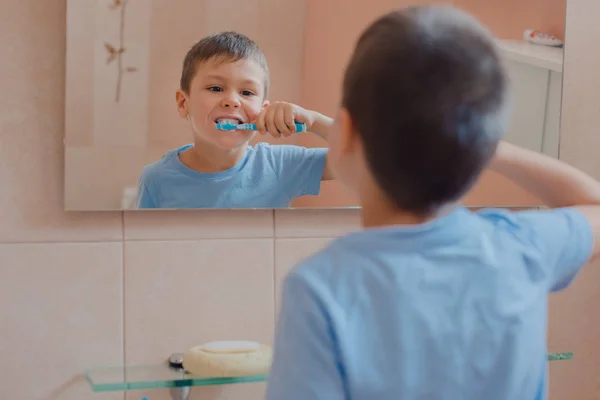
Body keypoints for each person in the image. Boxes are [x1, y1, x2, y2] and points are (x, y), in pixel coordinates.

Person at [265, 5, 599, 400]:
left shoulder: (322, 289)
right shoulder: (519, 248)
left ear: (347, 131)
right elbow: (592, 203)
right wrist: (486, 146)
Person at [136, 31, 333, 209]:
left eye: (247, 92)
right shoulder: (157, 179)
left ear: (262, 110)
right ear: (183, 104)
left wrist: (314, 120)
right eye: (215, 88)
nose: (232, 101)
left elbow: (361, 154)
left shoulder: (280, 166)